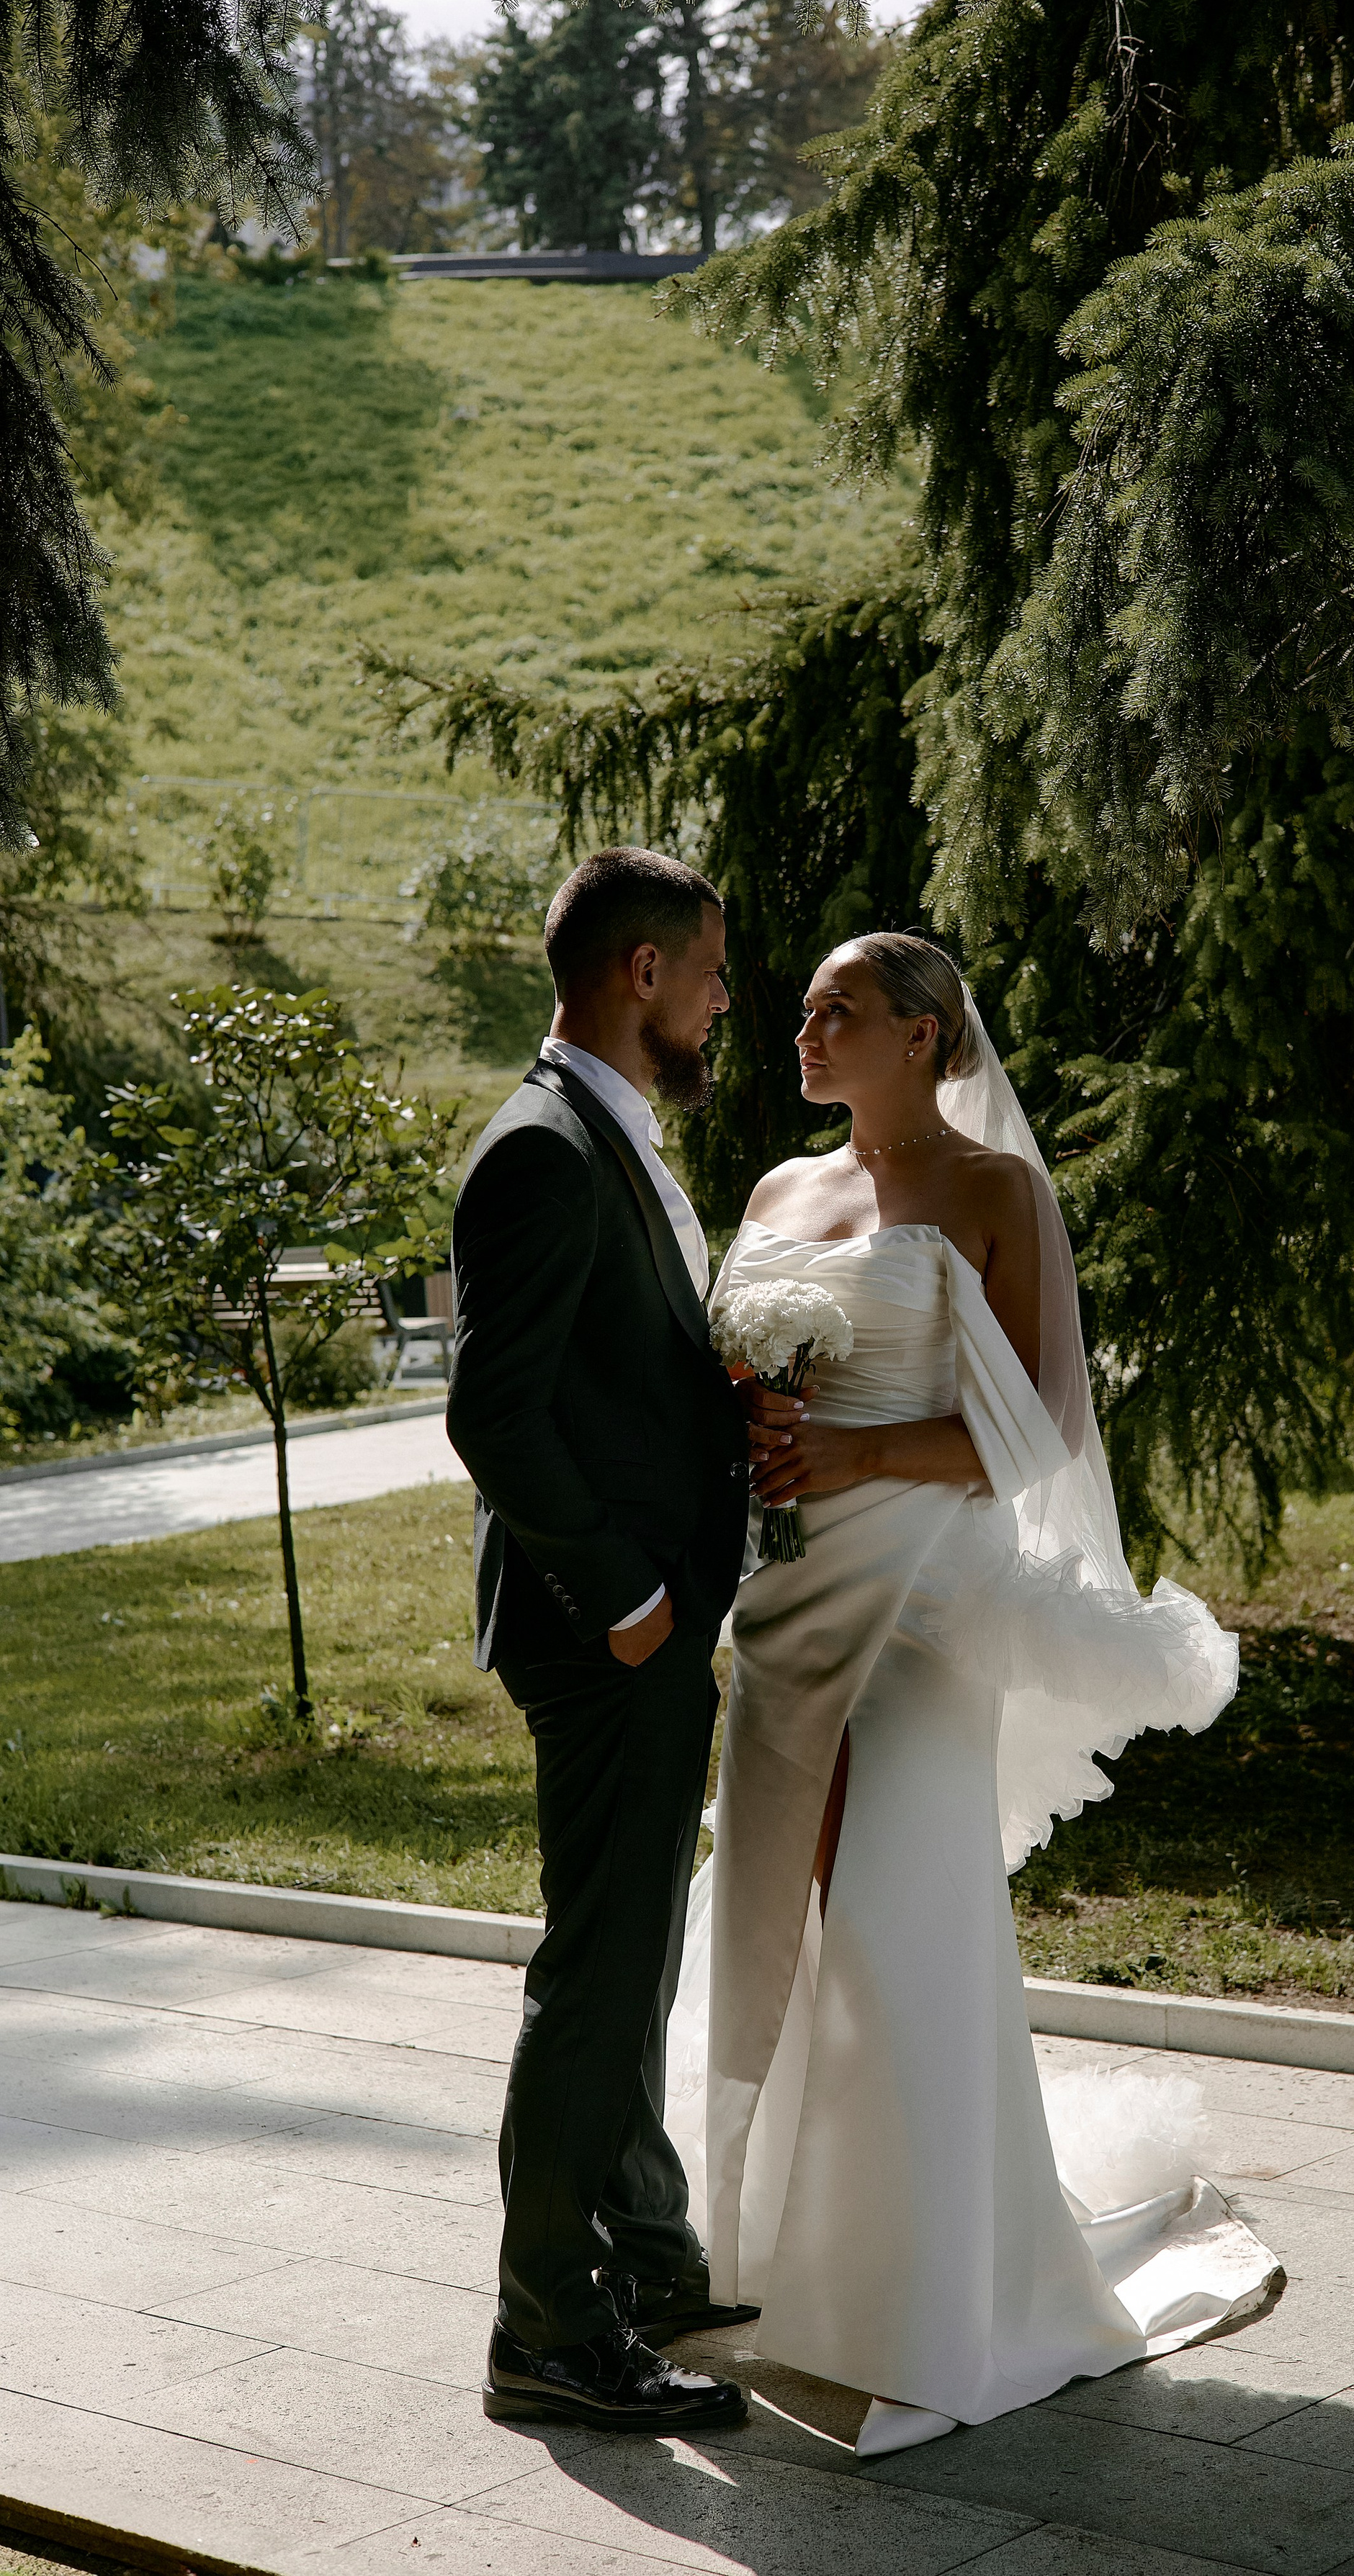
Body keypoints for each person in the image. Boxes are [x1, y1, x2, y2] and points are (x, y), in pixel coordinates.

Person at [667, 932, 1281, 2459]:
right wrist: (750, 1429)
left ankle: (927, 2288)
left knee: (891, 1906)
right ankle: (746, 2242)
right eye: (802, 1005)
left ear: (929, 1039)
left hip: (928, 1597)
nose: (803, 1027)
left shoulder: (1000, 1195)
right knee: (766, 1907)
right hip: (787, 1595)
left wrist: (857, 1452)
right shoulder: (774, 1196)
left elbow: (1042, 1426)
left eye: (840, 1009)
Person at [446, 845, 758, 2438]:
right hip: (601, 1633)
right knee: (594, 1969)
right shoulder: (546, 1150)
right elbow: (489, 1415)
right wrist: (631, 1600)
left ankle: (642, 2250)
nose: (721, 998)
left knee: (630, 1954)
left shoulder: (608, 1133)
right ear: (641, 972)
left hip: (644, 1620)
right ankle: (547, 2332)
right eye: (707, 970)